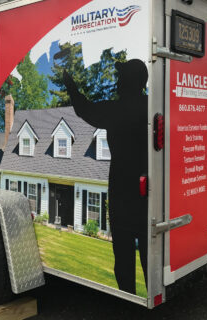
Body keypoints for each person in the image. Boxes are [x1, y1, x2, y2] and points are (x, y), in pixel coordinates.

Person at [63, 59, 148, 295]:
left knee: (123, 256)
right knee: (150, 250)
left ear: (130, 82)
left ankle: (128, 298)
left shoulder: (117, 110)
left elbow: (84, 109)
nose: (117, 82)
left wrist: (71, 86)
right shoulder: (152, 107)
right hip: (149, 191)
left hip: (122, 191)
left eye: (121, 77)